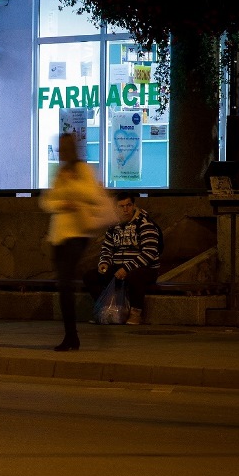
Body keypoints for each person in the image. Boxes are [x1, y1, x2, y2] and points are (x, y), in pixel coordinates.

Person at [40, 133, 110, 351]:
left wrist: (71, 186)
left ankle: (71, 336)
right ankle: (71, 335)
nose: (60, 152)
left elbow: (93, 195)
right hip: (59, 236)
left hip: (78, 233)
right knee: (63, 286)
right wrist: (63, 203)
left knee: (66, 284)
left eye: (63, 148)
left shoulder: (83, 170)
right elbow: (47, 201)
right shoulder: (59, 172)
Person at [82, 192, 161, 325]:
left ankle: (136, 313)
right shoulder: (113, 227)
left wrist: (127, 268)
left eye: (128, 205)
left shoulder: (145, 224)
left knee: (134, 277)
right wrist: (104, 263)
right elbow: (107, 248)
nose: (125, 209)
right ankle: (107, 309)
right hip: (120, 266)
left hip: (144, 268)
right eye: (122, 206)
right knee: (90, 276)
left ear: (133, 205)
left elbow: (149, 253)